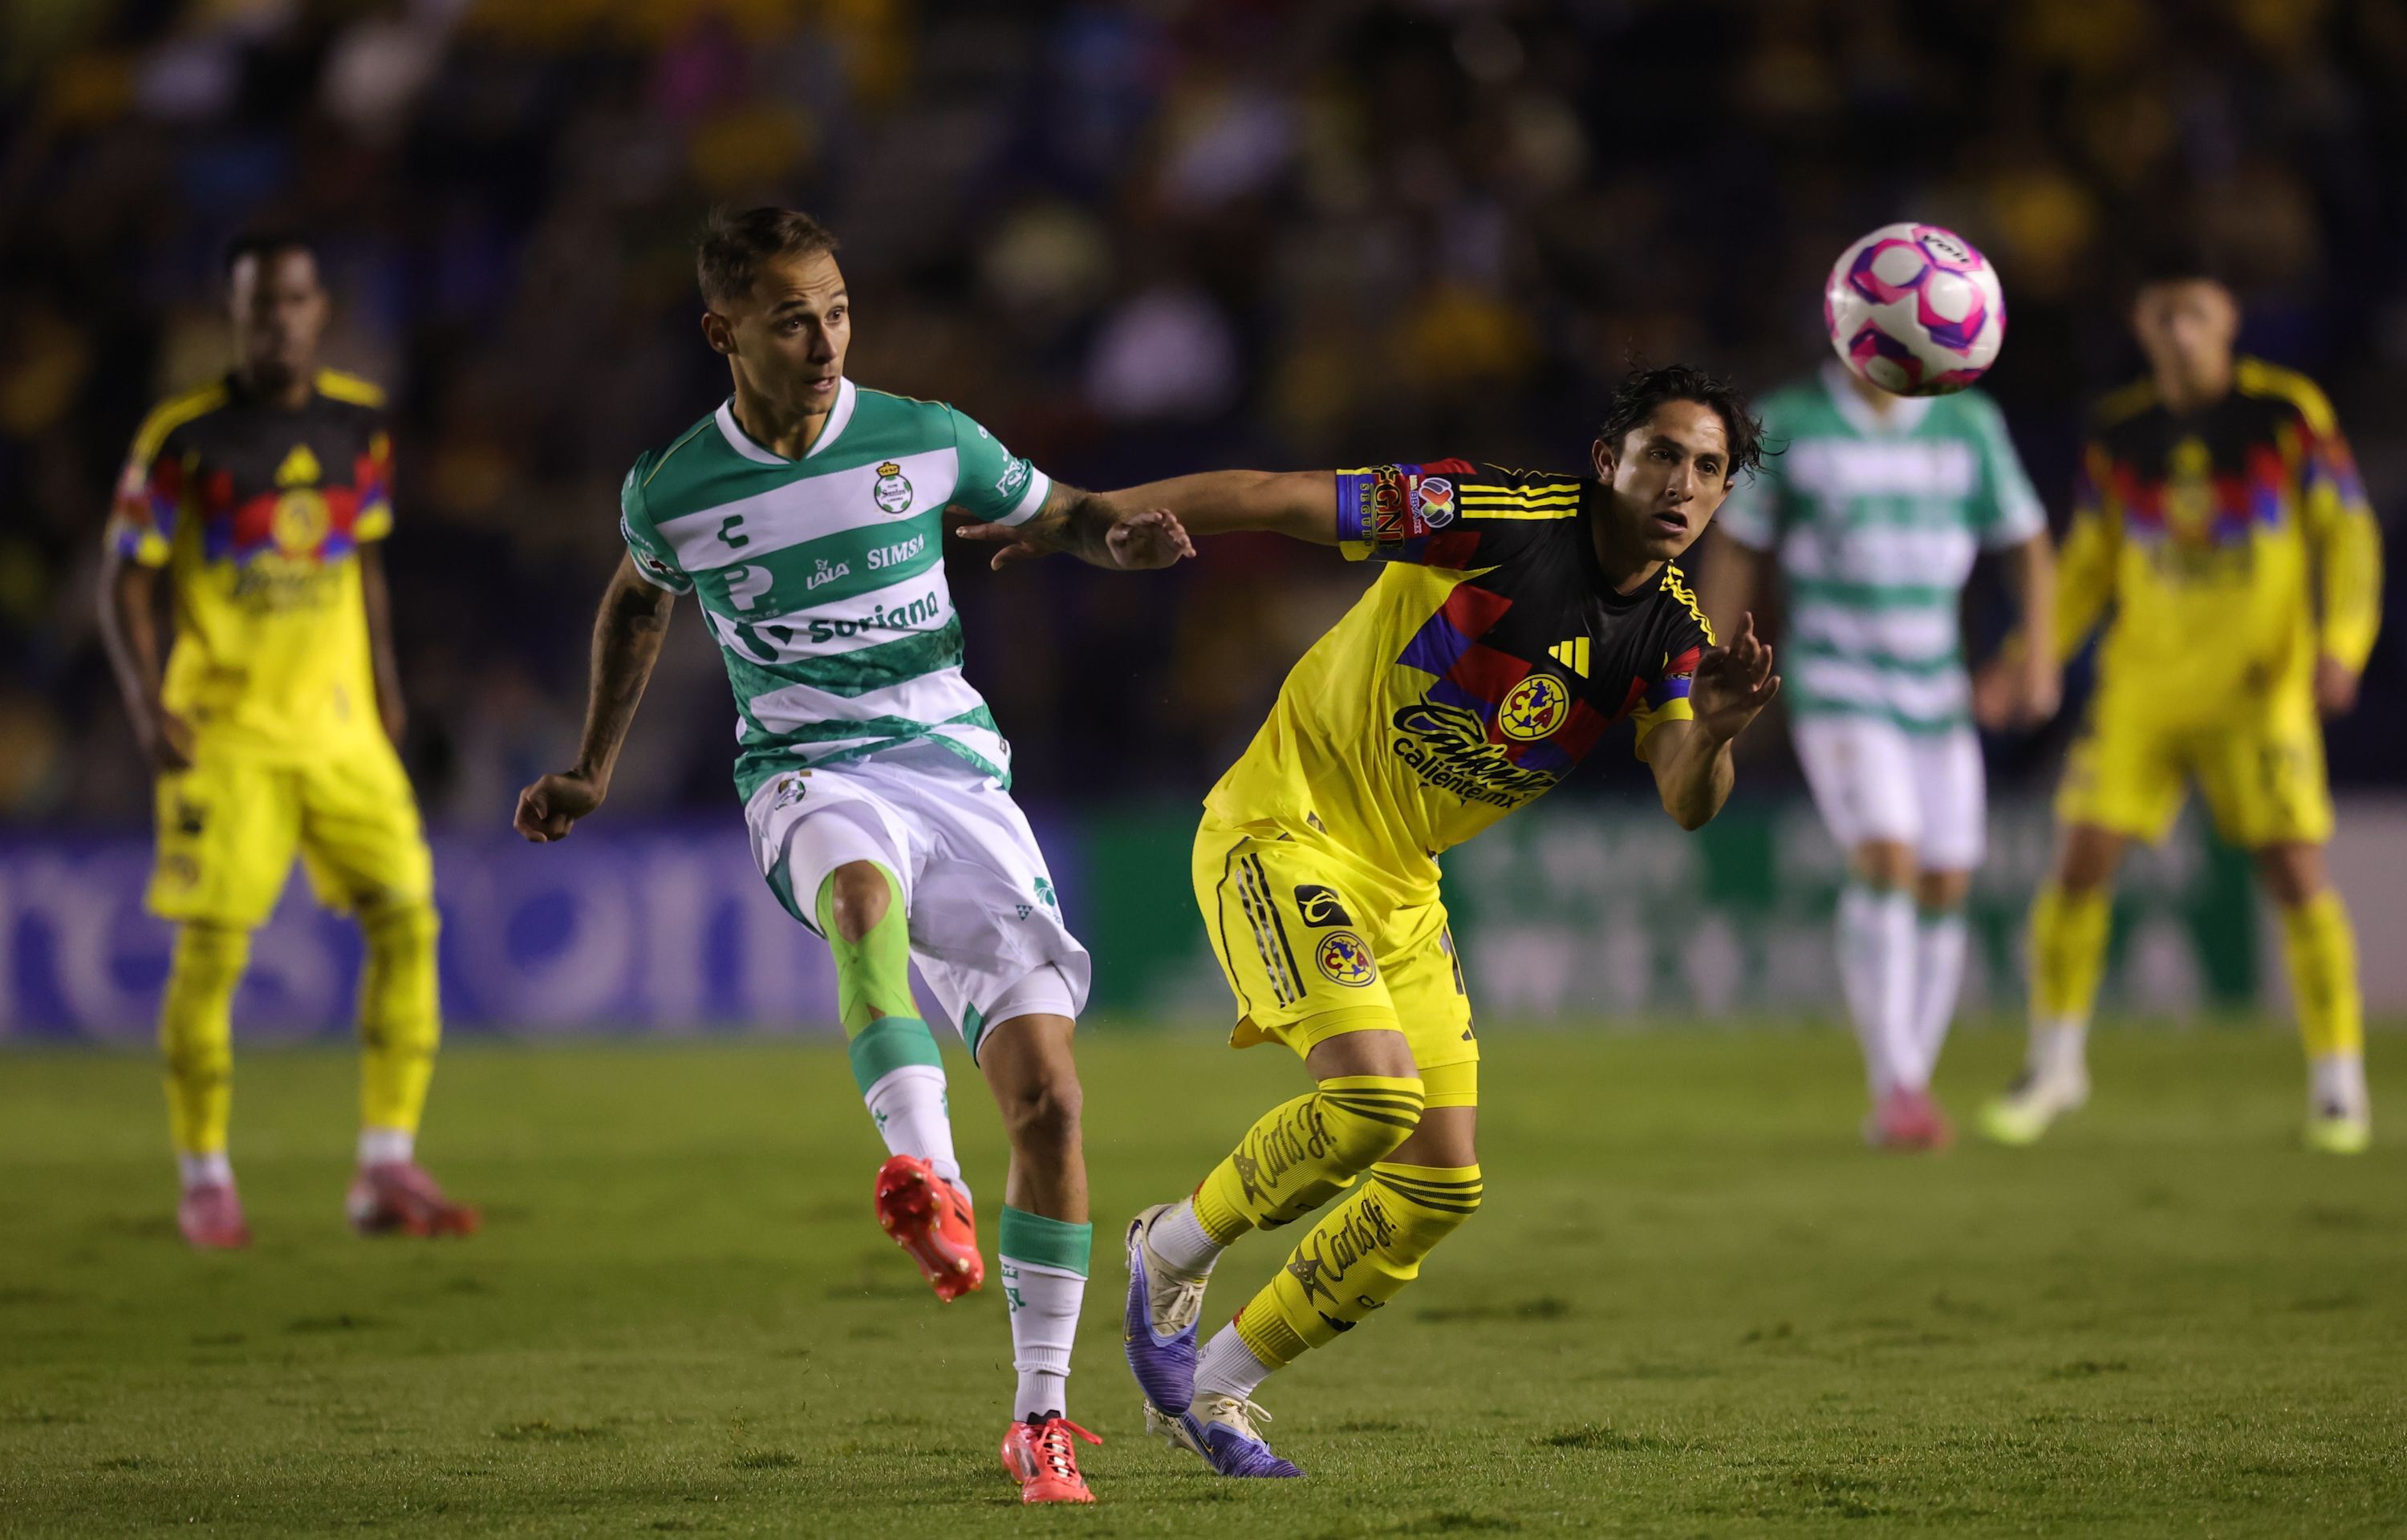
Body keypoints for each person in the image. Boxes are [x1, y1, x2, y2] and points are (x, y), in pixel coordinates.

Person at [962, 365, 1782, 1477]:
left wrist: (1719, 732)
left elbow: (1687, 798)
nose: (1682, 484)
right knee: (1370, 1099)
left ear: (1726, 493)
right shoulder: (1489, 515)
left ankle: (1219, 1388)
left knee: (1443, 1181)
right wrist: (1083, 523)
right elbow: (1270, 493)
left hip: (1402, 888)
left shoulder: (1674, 635)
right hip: (1281, 829)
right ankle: (1172, 1245)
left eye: (1708, 468)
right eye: (1662, 455)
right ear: (1609, 460)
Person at [510, 206, 1187, 1504]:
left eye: (835, 310)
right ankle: (921, 1170)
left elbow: (1068, 512)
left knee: (1050, 1099)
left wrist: (1127, 542)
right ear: (723, 332)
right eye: (789, 318)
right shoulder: (676, 487)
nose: (823, 339)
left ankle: (1040, 1417)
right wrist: (594, 766)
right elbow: (639, 598)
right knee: (859, 891)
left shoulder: (927, 438)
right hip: (808, 772)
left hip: (958, 774)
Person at [97, 231, 475, 1250]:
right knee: (213, 951)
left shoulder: (360, 427)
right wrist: (145, 706)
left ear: (320, 310)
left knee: (409, 917)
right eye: (258, 304)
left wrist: (389, 690)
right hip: (225, 734)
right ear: (236, 314)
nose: (277, 320)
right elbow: (123, 575)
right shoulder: (183, 440)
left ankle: (385, 1166)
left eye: (295, 301)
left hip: (342, 730)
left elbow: (366, 567)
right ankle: (205, 1174)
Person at [1979, 246, 2384, 1153]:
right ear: (2140, 328)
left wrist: (2343, 642)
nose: (2179, 331)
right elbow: (2085, 567)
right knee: (2080, 860)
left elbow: (2347, 533)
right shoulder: (2120, 432)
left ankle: (2337, 1079)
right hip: (2142, 692)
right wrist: (2024, 657)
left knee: (2294, 874)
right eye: (2162, 315)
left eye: (2196, 313)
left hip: (2257, 692)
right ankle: (2054, 1065)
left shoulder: (2285, 415)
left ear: (2228, 322)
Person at [1703, 361, 2056, 1148]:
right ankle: (1896, 1082)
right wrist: (1716, 659)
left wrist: (2039, 654)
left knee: (1944, 880)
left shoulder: (1968, 424)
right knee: (1888, 854)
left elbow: (2028, 541)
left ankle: (1908, 1087)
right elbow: (1737, 540)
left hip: (1938, 685)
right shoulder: (1792, 418)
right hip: (1838, 679)